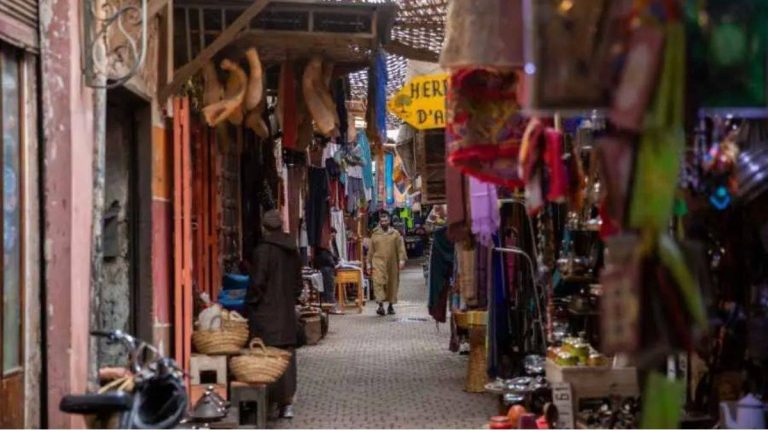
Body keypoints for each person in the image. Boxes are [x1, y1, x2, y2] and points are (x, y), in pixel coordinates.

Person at [246, 210, 302, 419]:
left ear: (264, 228)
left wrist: (251, 302)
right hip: (286, 313)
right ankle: (286, 403)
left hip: (266, 314)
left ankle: (268, 400)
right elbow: (298, 284)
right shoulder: (292, 249)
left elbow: (257, 283)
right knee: (287, 357)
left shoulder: (263, 251)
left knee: (267, 356)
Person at [367, 211, 407, 316]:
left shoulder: (395, 234)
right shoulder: (375, 234)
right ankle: (380, 305)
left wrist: (401, 260)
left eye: (386, 220)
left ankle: (390, 306)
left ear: (389, 221)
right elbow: (371, 250)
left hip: (392, 263)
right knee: (378, 282)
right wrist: (368, 264)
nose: (384, 222)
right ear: (380, 222)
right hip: (378, 262)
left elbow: (400, 247)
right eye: (382, 221)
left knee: (392, 283)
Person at [314, 228, 341, 314]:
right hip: (326, 267)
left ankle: (329, 306)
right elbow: (325, 256)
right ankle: (331, 307)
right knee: (329, 288)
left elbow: (333, 254)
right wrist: (334, 263)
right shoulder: (324, 244)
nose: (333, 237)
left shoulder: (329, 242)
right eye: (332, 235)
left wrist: (336, 260)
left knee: (328, 288)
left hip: (328, 266)